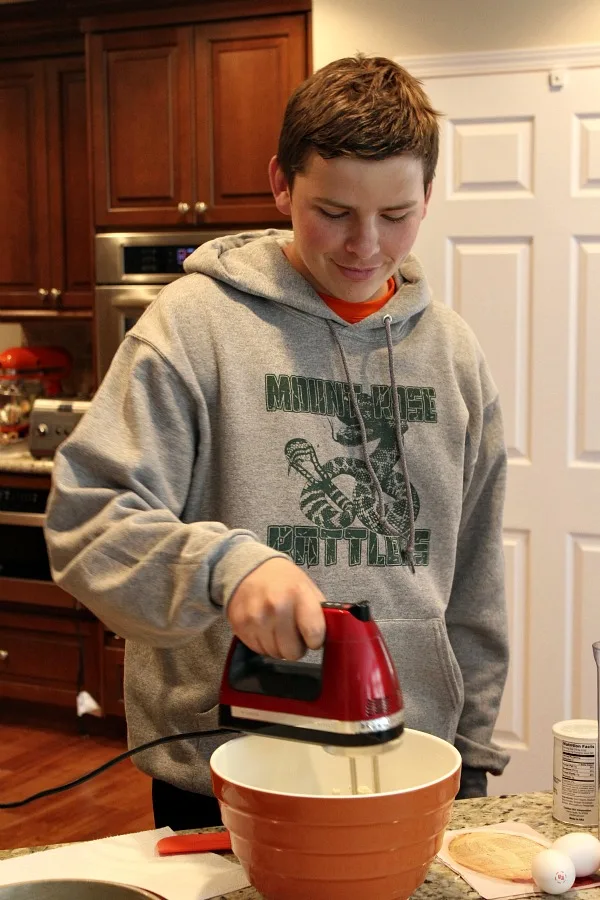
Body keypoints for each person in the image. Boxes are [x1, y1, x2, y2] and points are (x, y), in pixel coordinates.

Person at [44, 54, 510, 829]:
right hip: (223, 775)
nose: (365, 245)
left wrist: (476, 757)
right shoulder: (193, 326)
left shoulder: (454, 355)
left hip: (415, 760)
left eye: (396, 216)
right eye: (333, 211)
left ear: (428, 197)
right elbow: (87, 523)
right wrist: (227, 567)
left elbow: (476, 579)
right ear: (280, 184)